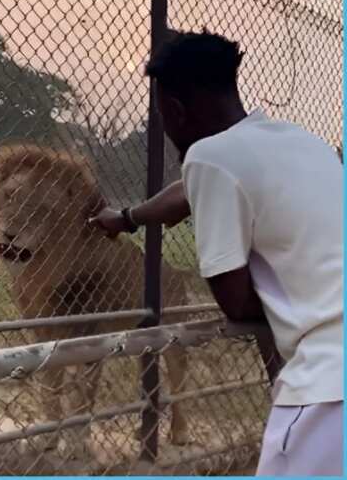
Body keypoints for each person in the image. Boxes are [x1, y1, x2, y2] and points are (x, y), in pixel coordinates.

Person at [89, 30, 343, 476]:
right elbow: (188, 189)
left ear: (173, 109)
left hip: (327, 380)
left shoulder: (209, 157)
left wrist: (290, 299)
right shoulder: (304, 144)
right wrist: (127, 218)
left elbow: (236, 301)